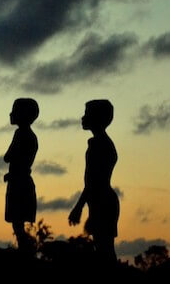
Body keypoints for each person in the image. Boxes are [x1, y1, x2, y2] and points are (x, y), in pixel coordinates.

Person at [69, 99, 120, 262]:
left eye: (87, 114)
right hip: (102, 200)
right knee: (103, 249)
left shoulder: (99, 145)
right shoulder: (102, 143)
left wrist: (78, 207)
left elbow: (93, 181)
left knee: (104, 250)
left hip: (102, 202)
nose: (83, 118)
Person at [3, 98, 39, 253]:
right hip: (23, 181)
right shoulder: (31, 136)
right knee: (18, 224)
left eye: (14, 110)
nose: (11, 114)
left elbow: (8, 156)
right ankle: (25, 251)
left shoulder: (20, 134)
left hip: (19, 183)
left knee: (17, 224)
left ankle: (25, 252)